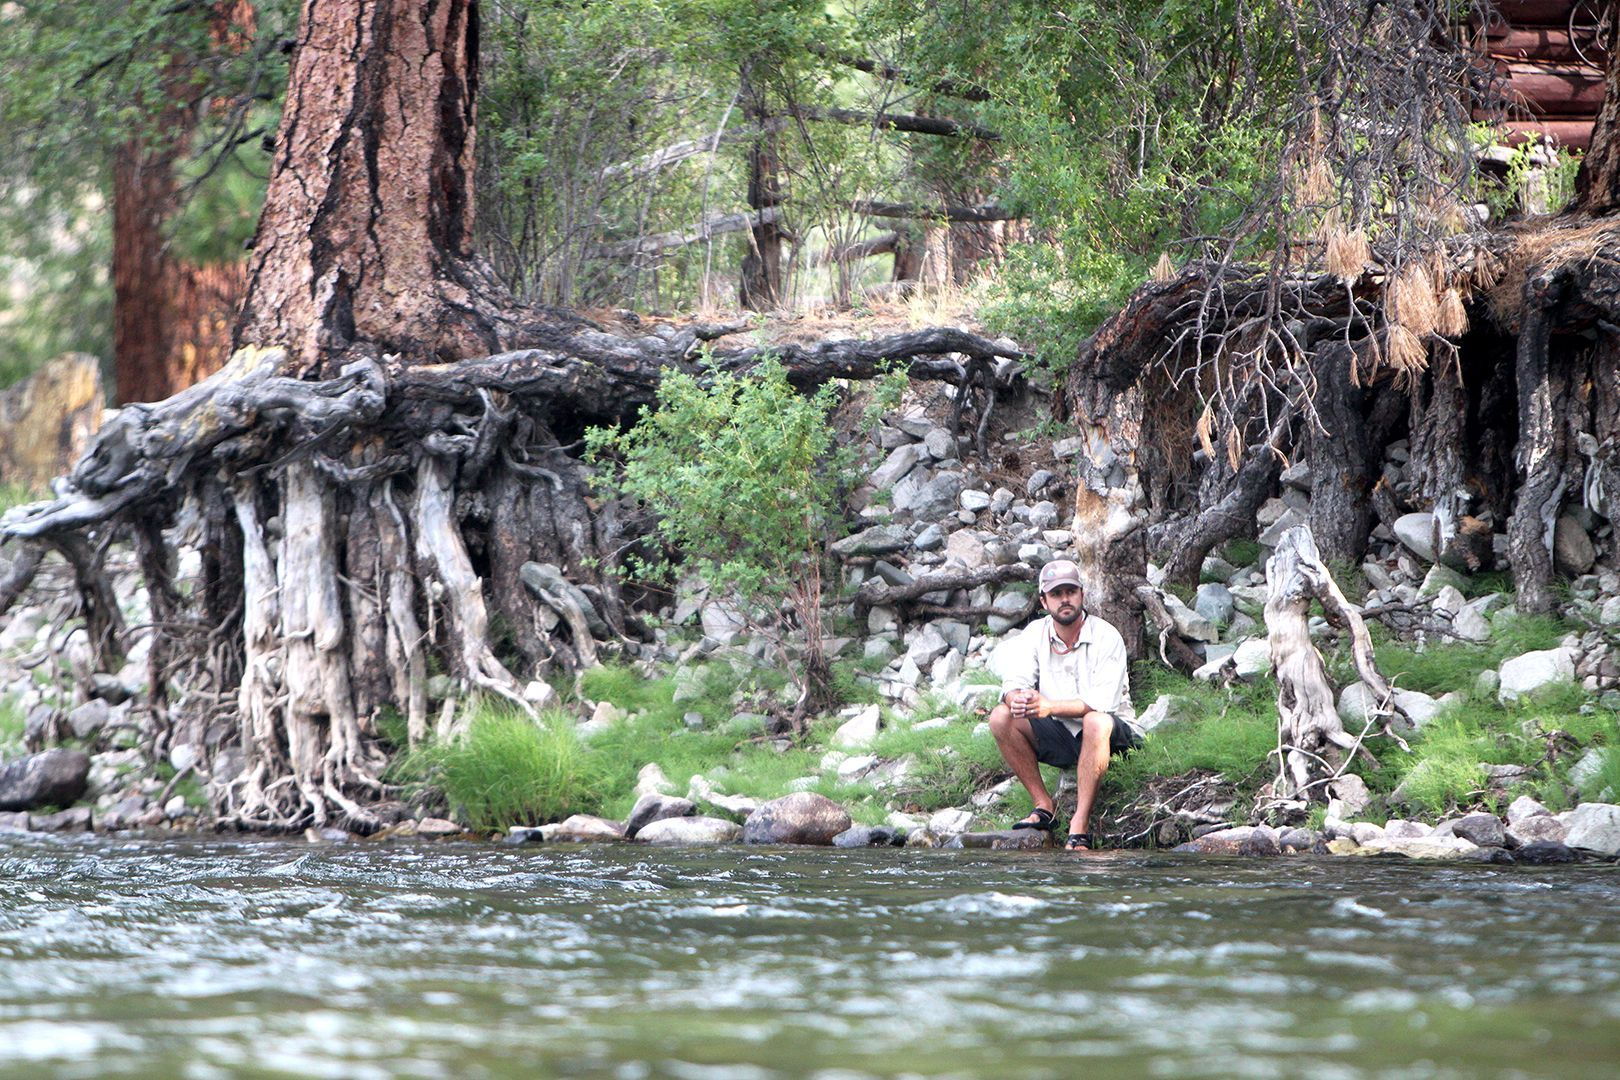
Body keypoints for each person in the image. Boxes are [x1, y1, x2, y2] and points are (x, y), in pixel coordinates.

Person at [988, 559, 1140, 851]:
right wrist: (1016, 698)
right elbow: (1012, 683)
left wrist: (1048, 707)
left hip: (1113, 736)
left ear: (1082, 595)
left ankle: (1079, 824)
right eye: (1057, 594)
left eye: (1071, 591)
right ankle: (1044, 805)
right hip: (1062, 734)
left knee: (1095, 721)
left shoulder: (1107, 635)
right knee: (1000, 717)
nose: (1065, 599)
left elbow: (1102, 704)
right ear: (1044, 601)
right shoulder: (1034, 633)